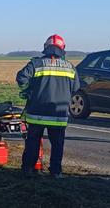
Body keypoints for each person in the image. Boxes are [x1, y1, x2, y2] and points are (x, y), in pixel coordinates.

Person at [16, 34, 79, 178]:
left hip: (37, 113)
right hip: (59, 115)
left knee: (32, 143)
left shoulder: (36, 64)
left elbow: (21, 78)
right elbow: (76, 88)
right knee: (57, 145)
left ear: (46, 47)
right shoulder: (70, 67)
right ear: (63, 49)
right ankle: (56, 171)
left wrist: (28, 90)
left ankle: (28, 169)